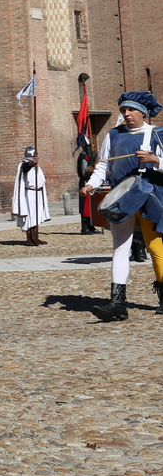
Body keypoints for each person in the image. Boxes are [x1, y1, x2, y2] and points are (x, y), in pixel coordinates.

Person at [80, 91, 163, 321]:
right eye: (123, 110)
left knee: (156, 249)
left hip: (151, 197)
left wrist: (155, 161)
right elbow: (103, 167)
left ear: (143, 112)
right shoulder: (113, 135)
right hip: (121, 199)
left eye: (131, 110)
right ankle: (117, 303)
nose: (126, 114)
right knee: (121, 249)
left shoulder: (157, 135)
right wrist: (91, 184)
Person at [12, 146, 51, 246]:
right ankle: (29, 238)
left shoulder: (36, 166)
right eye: (35, 156)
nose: (37, 157)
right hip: (28, 194)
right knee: (29, 215)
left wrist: (34, 164)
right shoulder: (24, 164)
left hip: (37, 193)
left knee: (36, 215)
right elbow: (25, 169)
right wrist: (32, 163)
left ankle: (36, 237)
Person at [77, 146, 101, 234]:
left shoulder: (89, 156)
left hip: (91, 183)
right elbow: (84, 173)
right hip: (85, 182)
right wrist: (91, 162)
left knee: (91, 206)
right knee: (85, 207)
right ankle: (85, 227)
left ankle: (91, 226)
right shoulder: (83, 156)